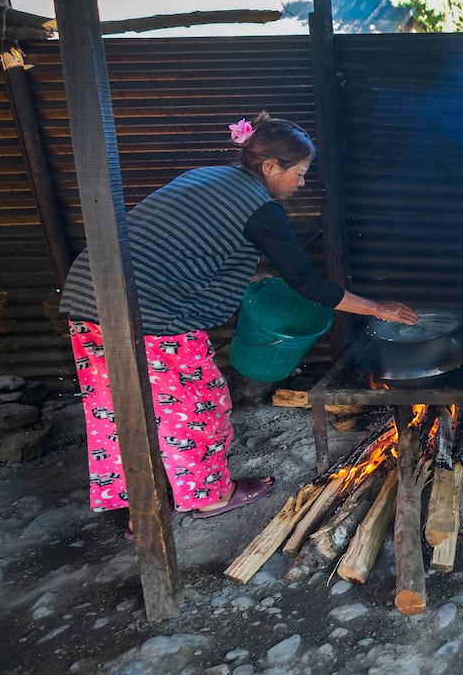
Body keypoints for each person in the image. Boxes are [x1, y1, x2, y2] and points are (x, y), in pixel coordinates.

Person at [59, 112, 419, 530]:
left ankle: (137, 504)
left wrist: (251, 277)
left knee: (117, 407)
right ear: (270, 167)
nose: (302, 183)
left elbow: (182, 247)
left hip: (91, 295)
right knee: (197, 407)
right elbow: (307, 283)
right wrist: (379, 308)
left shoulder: (206, 176)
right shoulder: (262, 209)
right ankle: (211, 497)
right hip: (153, 314)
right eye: (300, 173)